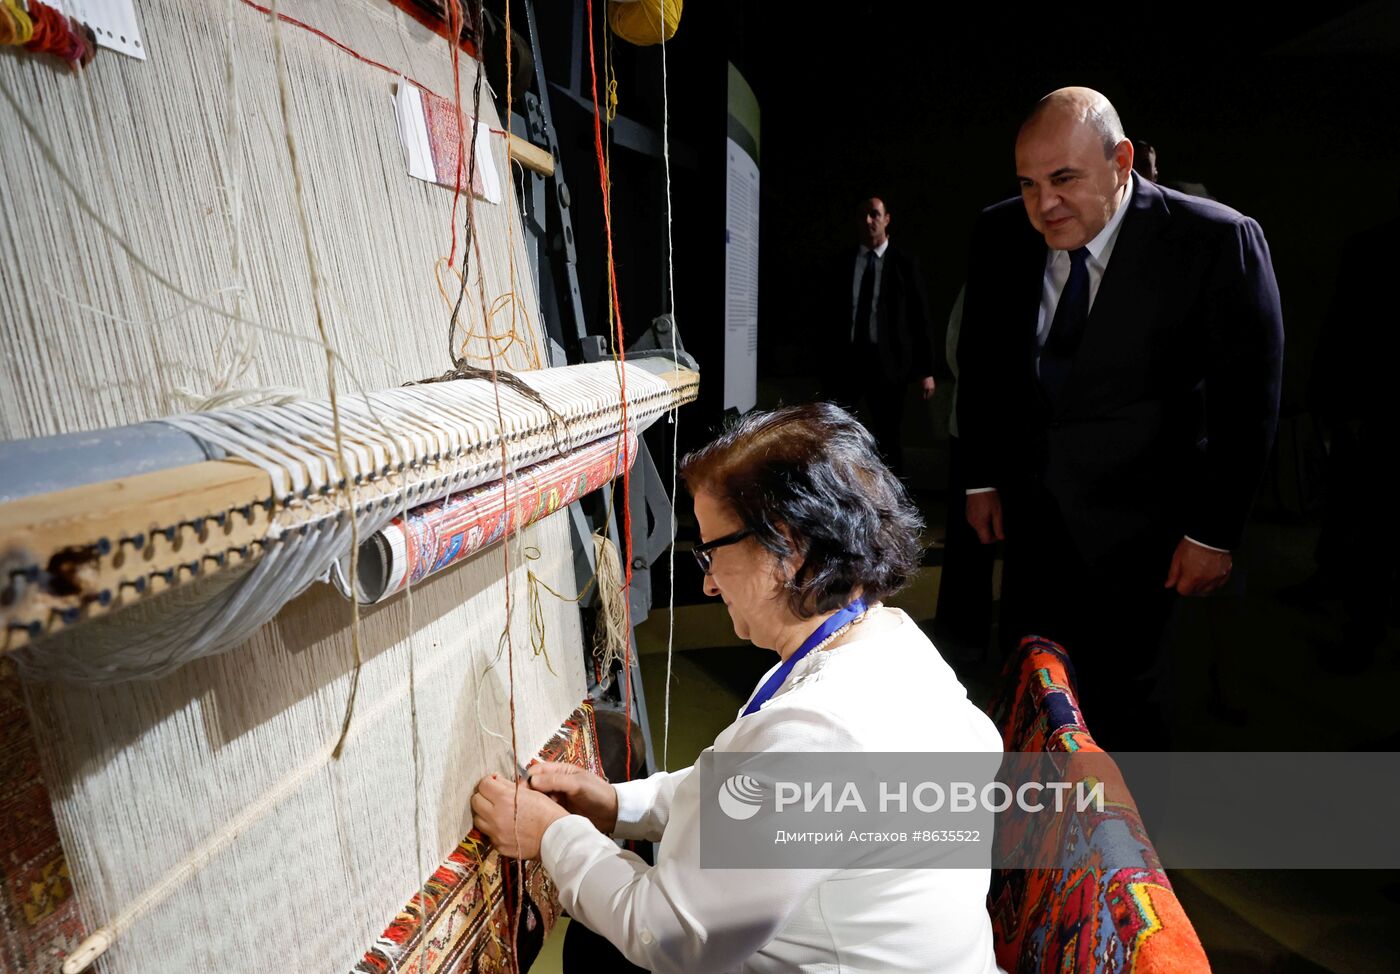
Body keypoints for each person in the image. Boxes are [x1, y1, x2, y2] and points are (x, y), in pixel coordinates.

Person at [471, 403, 1003, 973]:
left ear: (787, 550)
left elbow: (672, 937)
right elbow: (750, 796)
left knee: (603, 953)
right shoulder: (888, 641)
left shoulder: (823, 730)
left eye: (712, 550)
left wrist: (552, 835)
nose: (706, 581)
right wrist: (618, 806)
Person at [957, 87, 1283, 750]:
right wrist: (980, 477)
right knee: (1034, 695)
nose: (1043, 205)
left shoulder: (1215, 240)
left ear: (1122, 161)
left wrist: (1215, 532)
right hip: (1031, 523)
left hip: (1149, 540)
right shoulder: (999, 232)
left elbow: (1248, 397)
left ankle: (1130, 847)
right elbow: (984, 363)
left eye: (1064, 179)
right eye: (1028, 184)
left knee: (1129, 714)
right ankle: (1034, 843)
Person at [821, 197, 936, 475]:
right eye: (863, 215)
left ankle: (891, 501)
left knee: (889, 435)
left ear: (886, 219)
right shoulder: (843, 263)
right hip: (848, 360)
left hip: (888, 363)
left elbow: (920, 318)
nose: (869, 221)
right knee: (837, 430)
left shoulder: (904, 263)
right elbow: (828, 314)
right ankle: (842, 491)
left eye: (875, 214)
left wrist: (926, 370)